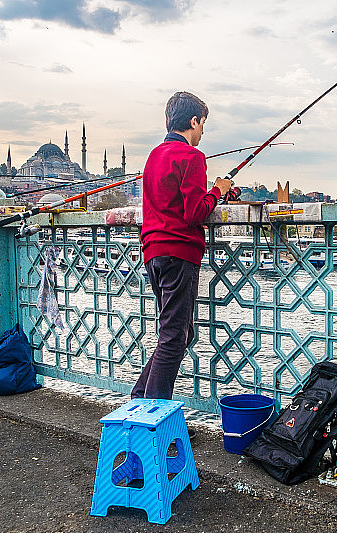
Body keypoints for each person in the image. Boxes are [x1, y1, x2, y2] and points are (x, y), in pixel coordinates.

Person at [133, 91, 231, 400]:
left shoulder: (153, 156)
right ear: (193, 121)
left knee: (178, 333)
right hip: (179, 253)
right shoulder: (192, 156)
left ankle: (139, 397)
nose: (202, 131)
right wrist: (217, 189)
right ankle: (152, 417)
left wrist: (216, 193)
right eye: (203, 124)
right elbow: (195, 213)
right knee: (175, 337)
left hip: (153, 253)